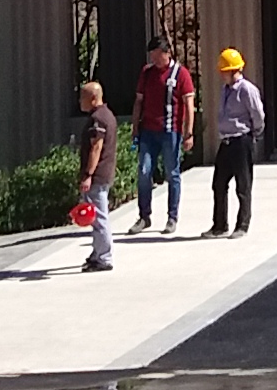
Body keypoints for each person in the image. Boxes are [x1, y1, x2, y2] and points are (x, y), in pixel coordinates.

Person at [129, 37, 193, 235]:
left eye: (158, 56)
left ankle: (172, 217)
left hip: (170, 131)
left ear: (167, 53)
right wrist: (135, 126)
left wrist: (188, 133)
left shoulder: (181, 74)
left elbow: (189, 105)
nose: (155, 60)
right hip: (148, 131)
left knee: (172, 173)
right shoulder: (147, 73)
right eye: (152, 56)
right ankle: (144, 216)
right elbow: (139, 101)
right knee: (144, 171)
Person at [202, 46, 263, 238]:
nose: (222, 75)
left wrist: (254, 133)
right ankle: (220, 226)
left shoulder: (247, 90)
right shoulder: (225, 90)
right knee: (219, 184)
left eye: (224, 71)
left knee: (243, 185)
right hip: (226, 141)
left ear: (233, 70)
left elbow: (258, 114)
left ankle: (242, 225)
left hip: (241, 140)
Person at [74, 80, 120, 272]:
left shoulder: (98, 119)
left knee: (99, 218)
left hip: (97, 175)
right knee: (95, 217)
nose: (79, 101)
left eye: (82, 97)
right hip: (103, 174)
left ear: (93, 99)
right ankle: (97, 252)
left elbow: (96, 147)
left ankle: (104, 257)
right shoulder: (107, 114)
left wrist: (88, 175)